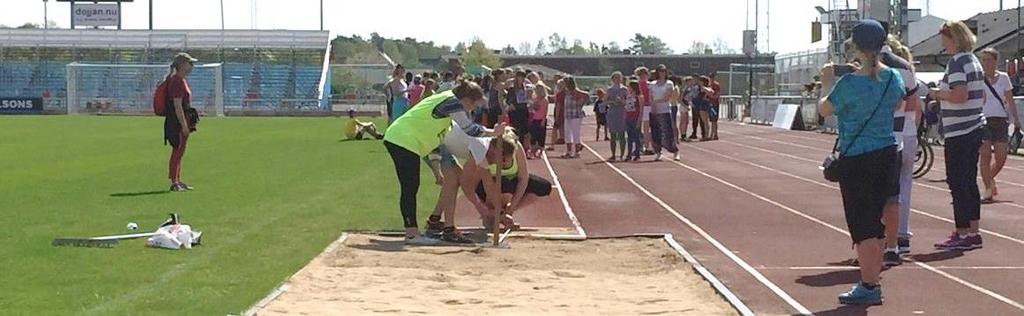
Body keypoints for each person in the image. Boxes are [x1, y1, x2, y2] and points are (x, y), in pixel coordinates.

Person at [819, 20, 905, 305]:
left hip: (858, 158)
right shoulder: (894, 77)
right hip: (887, 153)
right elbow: (897, 104)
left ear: (856, 46)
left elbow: (824, 109)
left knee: (863, 224)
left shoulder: (847, 83)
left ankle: (870, 285)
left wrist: (827, 82)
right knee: (877, 220)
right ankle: (871, 279)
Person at [383, 80, 506, 245]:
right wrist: (493, 132)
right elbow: (469, 128)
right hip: (403, 140)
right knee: (410, 186)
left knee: (428, 181)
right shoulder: (452, 102)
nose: (472, 110)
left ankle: (434, 226)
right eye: (473, 105)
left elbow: (435, 141)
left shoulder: (446, 107)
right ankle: (412, 233)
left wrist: (436, 167)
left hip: (407, 140)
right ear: (467, 100)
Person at [928, 21, 986, 251]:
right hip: (974, 126)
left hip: (961, 130)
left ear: (953, 38)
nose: (942, 43)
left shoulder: (957, 62)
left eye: (944, 38)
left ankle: (963, 232)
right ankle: (972, 231)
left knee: (958, 182)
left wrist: (938, 94)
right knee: (969, 181)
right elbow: (976, 96)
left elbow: (960, 95)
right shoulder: (973, 60)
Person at [464, 132, 553, 230]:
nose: (502, 164)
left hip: (512, 182)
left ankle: (503, 215)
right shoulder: (485, 153)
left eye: (505, 162)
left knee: (544, 187)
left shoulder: (517, 147)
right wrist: (485, 210)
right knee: (504, 183)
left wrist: (510, 209)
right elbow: (479, 184)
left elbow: (523, 178)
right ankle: (493, 215)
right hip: (489, 187)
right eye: (501, 161)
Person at [885, 38, 923, 259]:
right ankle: (901, 235)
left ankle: (887, 239)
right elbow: (914, 105)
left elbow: (904, 103)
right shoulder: (908, 69)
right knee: (905, 186)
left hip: (891, 133)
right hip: (908, 132)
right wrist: (914, 131)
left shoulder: (883, 67)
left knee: (886, 190)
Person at [978, 48, 1022, 202]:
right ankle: (988, 189)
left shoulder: (1003, 78)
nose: (986, 63)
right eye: (984, 60)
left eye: (989, 60)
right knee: (985, 156)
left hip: (1000, 120)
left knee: (1001, 157)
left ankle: (989, 179)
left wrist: (1016, 119)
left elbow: (1010, 99)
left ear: (996, 61)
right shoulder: (979, 78)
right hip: (983, 120)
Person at [163, 53, 200, 192]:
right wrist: (184, 125)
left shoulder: (180, 80)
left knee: (180, 151)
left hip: (181, 120)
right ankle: (174, 181)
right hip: (176, 122)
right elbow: (177, 105)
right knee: (177, 151)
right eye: (190, 63)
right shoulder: (177, 81)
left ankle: (178, 180)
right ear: (183, 65)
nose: (192, 67)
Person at [648, 65, 680, 161]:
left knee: (667, 132)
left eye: (664, 71)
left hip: (665, 110)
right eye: (660, 71)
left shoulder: (669, 83)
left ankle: (675, 151)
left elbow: (667, 97)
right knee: (655, 132)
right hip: (654, 111)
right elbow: (650, 96)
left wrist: (655, 102)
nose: (662, 73)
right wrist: (652, 105)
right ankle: (658, 152)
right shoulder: (652, 84)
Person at [561, 76, 588, 158]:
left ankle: (577, 151)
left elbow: (586, 95)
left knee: (576, 133)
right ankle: (569, 151)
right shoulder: (566, 92)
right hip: (568, 115)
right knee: (567, 134)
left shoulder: (575, 91)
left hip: (576, 115)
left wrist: (581, 103)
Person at [506, 70, 533, 146]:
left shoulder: (526, 88)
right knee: (515, 129)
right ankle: (514, 145)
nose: (521, 78)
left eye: (523, 77)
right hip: (515, 111)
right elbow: (507, 100)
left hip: (523, 110)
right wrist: (511, 104)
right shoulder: (512, 88)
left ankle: (522, 146)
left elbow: (529, 96)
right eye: (520, 76)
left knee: (524, 130)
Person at [606, 72, 629, 161]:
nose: (617, 80)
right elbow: (605, 101)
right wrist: (612, 102)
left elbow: (628, 101)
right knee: (613, 134)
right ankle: (613, 154)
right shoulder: (609, 90)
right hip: (612, 112)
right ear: (612, 79)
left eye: (619, 78)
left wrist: (622, 101)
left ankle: (622, 154)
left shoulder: (624, 89)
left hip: (622, 112)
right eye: (615, 78)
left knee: (622, 134)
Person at [635, 67, 654, 154]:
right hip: (646, 107)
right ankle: (646, 146)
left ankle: (644, 146)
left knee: (645, 128)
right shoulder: (648, 85)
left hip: (644, 107)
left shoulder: (639, 84)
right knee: (647, 128)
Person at [527, 84, 549, 159]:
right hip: (535, 119)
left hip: (541, 119)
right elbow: (533, 108)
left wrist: (543, 120)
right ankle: (533, 150)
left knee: (541, 135)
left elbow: (545, 111)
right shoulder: (535, 98)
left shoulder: (545, 100)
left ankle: (540, 151)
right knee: (534, 135)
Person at [624, 80, 644, 161]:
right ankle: (629, 154)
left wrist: (639, 120)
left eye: (629, 87)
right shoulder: (628, 96)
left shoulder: (639, 96)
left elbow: (641, 109)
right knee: (629, 137)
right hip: (628, 117)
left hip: (635, 118)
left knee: (636, 136)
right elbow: (626, 106)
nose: (628, 88)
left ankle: (637, 153)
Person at [707, 72, 722, 140]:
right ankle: (713, 134)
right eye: (710, 77)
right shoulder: (708, 85)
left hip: (714, 104)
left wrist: (712, 97)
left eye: (712, 77)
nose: (711, 78)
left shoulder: (716, 85)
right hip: (710, 104)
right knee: (712, 120)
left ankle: (714, 134)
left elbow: (717, 94)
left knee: (714, 120)